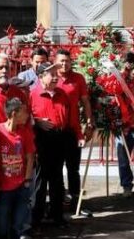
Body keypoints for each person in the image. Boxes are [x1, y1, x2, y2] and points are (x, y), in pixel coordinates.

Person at [0, 97, 35, 239]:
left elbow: (30, 157)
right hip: (2, 188)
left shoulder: (25, 132)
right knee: (1, 224)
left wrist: (27, 180)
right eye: (24, 111)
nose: (27, 115)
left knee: (17, 224)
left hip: (20, 187)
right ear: (13, 113)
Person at [30, 62, 69, 229]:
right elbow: (26, 117)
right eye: (51, 74)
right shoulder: (32, 94)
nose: (55, 77)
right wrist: (37, 122)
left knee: (57, 178)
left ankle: (57, 215)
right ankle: (36, 219)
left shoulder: (62, 94)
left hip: (59, 138)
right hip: (41, 139)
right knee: (40, 180)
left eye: (56, 74)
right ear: (41, 77)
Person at [54, 49, 94, 213]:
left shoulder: (78, 78)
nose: (64, 64)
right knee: (56, 169)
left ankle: (76, 202)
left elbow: (85, 101)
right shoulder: (51, 77)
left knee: (73, 168)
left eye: (67, 61)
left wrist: (89, 121)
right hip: (55, 131)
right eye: (61, 61)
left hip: (73, 130)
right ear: (56, 62)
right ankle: (58, 201)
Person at [114, 52, 134, 197]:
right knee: (123, 157)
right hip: (124, 125)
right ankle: (126, 185)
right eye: (125, 62)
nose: (127, 66)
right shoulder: (117, 78)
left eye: (130, 62)